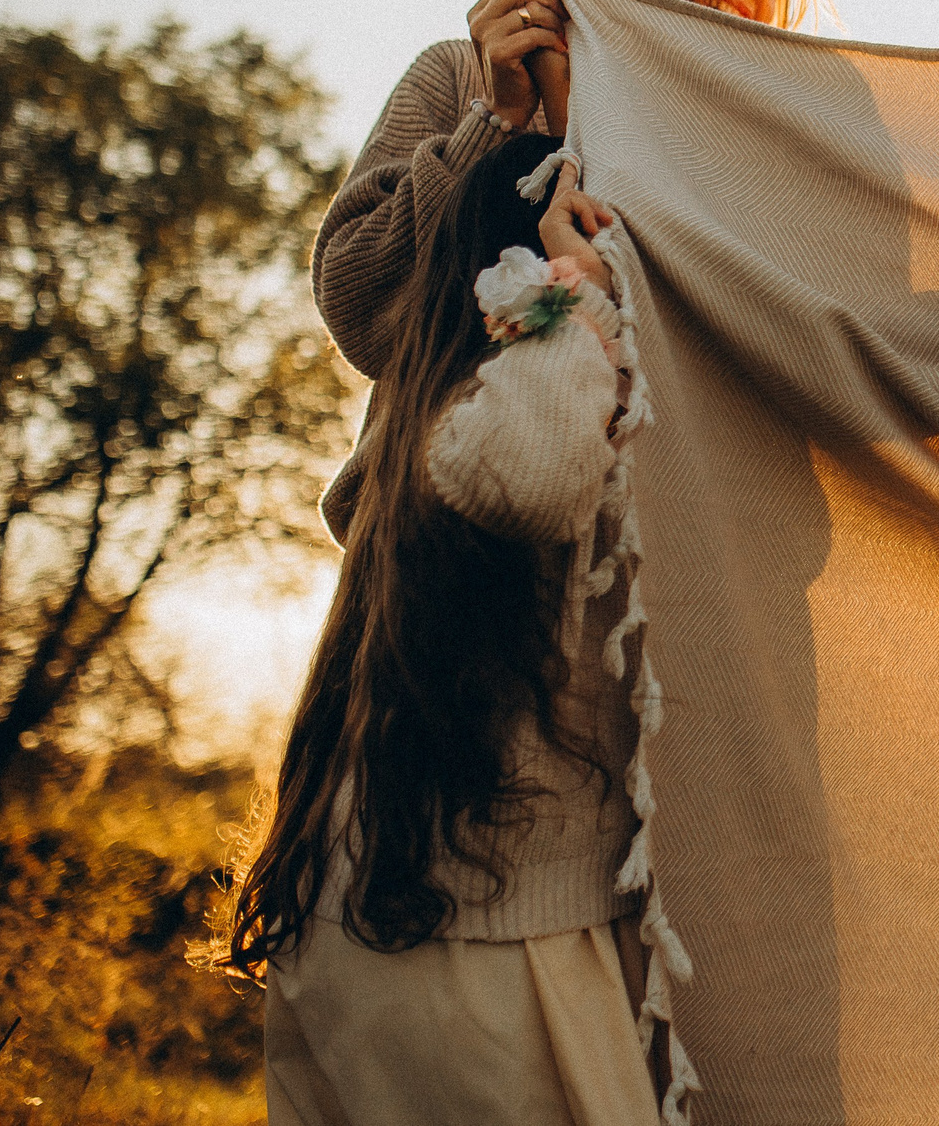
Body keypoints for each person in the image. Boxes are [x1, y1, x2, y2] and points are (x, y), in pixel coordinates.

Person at [236, 135, 657, 1124]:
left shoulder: (510, 397)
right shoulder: (516, 391)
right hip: (472, 944)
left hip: (410, 917)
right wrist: (577, 292)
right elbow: (518, 476)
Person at [313, 0, 822, 381]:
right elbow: (358, 309)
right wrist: (497, 123)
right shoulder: (463, 77)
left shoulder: (750, 164)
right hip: (441, 462)